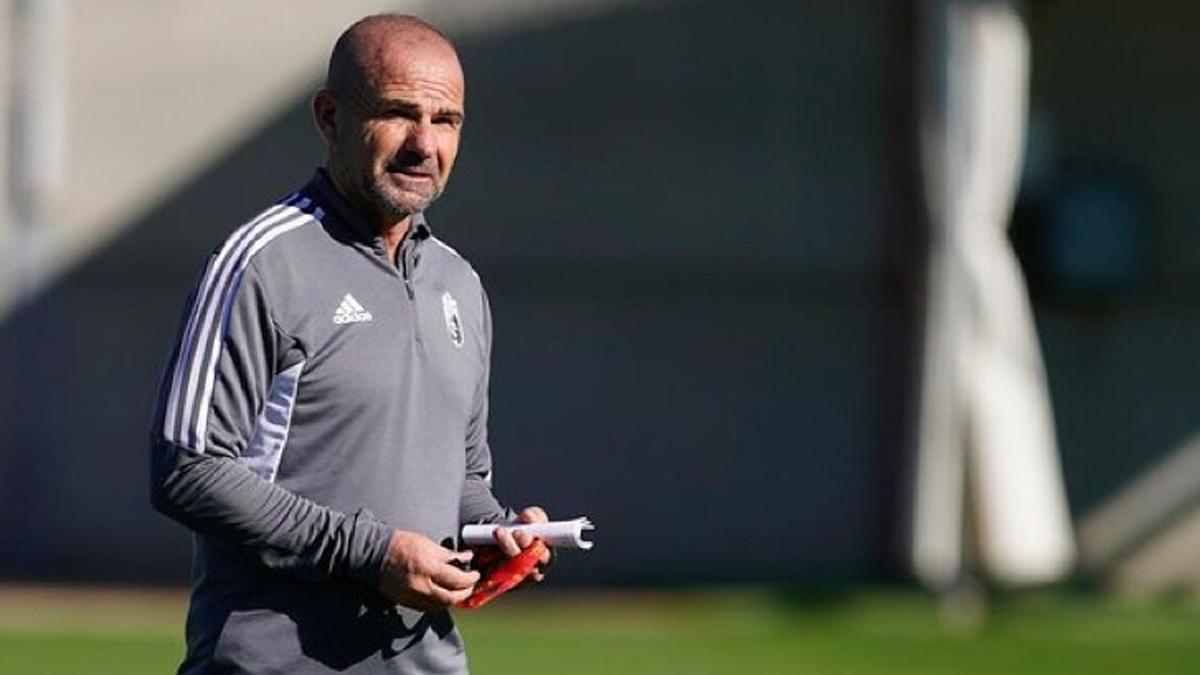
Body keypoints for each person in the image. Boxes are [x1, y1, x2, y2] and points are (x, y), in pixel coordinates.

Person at [150, 14, 550, 674]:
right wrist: (370, 553)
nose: (425, 143)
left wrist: (501, 532)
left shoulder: (460, 282)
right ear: (330, 116)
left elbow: (463, 482)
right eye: (399, 113)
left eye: (446, 120)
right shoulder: (262, 262)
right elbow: (185, 466)